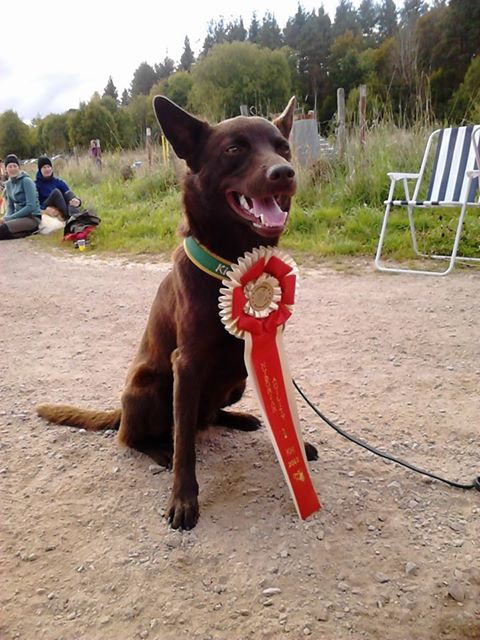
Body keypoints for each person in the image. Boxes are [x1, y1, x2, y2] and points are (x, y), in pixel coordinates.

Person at [0, 154, 41, 240]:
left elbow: (31, 206)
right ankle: (24, 233)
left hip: (32, 217)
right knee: (2, 225)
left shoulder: (26, 181)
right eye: (10, 166)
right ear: (6, 169)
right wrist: (5, 218)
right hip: (19, 217)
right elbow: (10, 207)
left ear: (19, 167)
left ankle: (31, 230)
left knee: (2, 229)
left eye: (15, 166)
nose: (12, 169)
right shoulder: (8, 184)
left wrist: (9, 218)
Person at [35, 156, 81, 221]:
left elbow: (68, 192)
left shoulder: (58, 181)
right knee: (56, 192)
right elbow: (35, 203)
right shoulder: (36, 185)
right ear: (40, 170)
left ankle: (76, 217)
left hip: (60, 207)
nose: (47, 169)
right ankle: (69, 217)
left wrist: (77, 200)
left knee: (69, 195)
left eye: (48, 167)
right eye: (44, 167)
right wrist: (44, 210)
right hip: (46, 206)